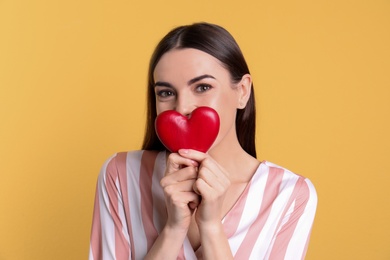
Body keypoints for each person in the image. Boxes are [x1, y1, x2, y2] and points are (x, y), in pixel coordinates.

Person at [89, 22, 317, 260]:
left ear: (242, 91)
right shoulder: (121, 175)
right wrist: (173, 230)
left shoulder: (289, 195)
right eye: (166, 92)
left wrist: (211, 228)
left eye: (203, 87)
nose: (183, 107)